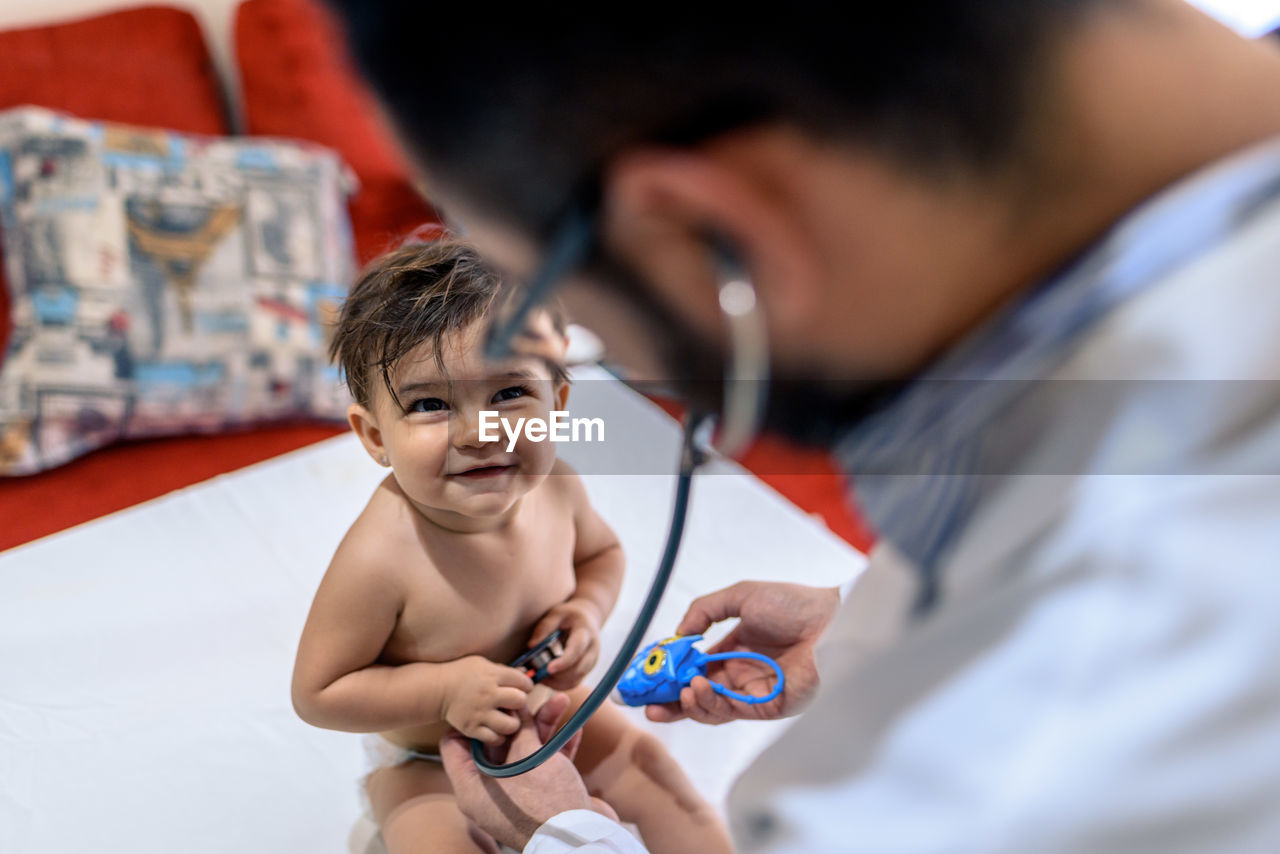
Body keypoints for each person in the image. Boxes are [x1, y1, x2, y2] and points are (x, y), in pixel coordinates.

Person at [327, 2, 1280, 851]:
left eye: (568, 324)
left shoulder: (1009, 771)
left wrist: (566, 839)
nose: (492, 430)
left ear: (721, 239)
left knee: (652, 780)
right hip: (439, 754)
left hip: (540, 733)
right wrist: (862, 619)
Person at [290, 240, 731, 854]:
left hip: (552, 710)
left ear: (559, 403)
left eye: (508, 395)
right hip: (428, 757)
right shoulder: (380, 556)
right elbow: (319, 693)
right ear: (373, 436)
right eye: (430, 404)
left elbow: (602, 557)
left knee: (659, 779)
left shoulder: (558, 488)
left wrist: (585, 613)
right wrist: (443, 692)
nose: (479, 432)